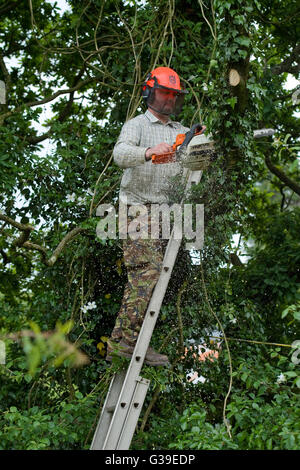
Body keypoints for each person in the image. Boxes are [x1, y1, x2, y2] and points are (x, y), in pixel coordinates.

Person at [106, 67, 189, 366]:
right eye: (164, 92)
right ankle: (123, 344)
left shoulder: (177, 132)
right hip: (137, 208)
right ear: (150, 92)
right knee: (146, 272)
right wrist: (148, 151)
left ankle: (135, 341)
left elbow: (184, 166)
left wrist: (195, 147)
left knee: (158, 279)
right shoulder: (137, 125)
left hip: (166, 212)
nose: (168, 99)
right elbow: (120, 155)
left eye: (173, 95)